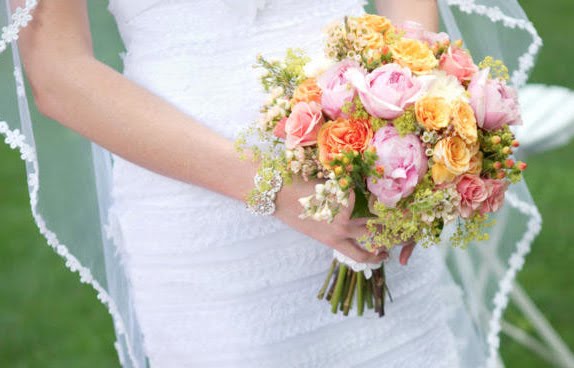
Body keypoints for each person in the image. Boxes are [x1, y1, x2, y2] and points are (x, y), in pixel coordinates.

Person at [12, 0, 502, 366]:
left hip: (369, 169)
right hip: (204, 217)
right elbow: (57, 71)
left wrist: (412, 112)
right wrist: (276, 189)